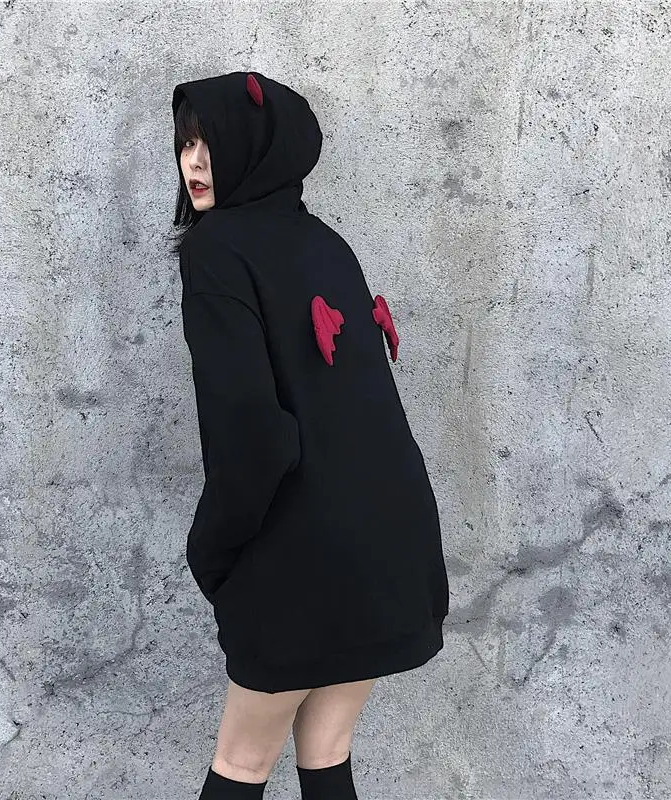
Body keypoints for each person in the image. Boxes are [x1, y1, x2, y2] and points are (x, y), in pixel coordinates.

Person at [170, 71, 450, 800]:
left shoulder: (216, 250)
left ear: (256, 146)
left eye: (211, 142)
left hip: (301, 556)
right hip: (391, 545)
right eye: (186, 143)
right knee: (326, 754)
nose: (195, 162)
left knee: (241, 764)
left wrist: (211, 552)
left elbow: (254, 437)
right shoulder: (327, 243)